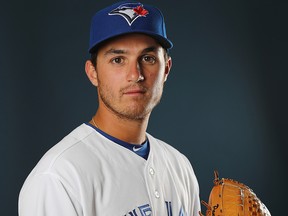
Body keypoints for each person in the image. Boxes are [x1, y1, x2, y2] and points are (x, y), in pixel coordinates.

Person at [18, 1, 201, 215]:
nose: (136, 74)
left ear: (166, 69)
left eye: (148, 58)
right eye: (118, 60)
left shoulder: (180, 166)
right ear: (93, 72)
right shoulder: (59, 177)